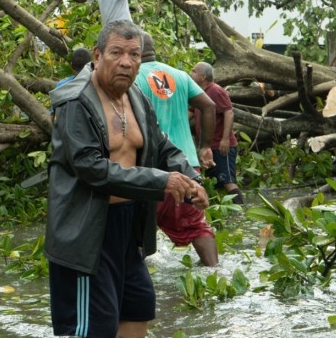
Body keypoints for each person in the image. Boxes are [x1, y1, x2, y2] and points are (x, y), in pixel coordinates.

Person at [45, 20, 208, 337]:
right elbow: (91, 167)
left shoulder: (136, 97)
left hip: (128, 228)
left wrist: (189, 180)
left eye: (134, 54)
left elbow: (162, 146)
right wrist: (162, 182)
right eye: (117, 52)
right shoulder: (75, 102)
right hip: (86, 233)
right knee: (93, 328)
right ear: (98, 54)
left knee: (138, 309)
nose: (126, 62)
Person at [135, 32, 219, 266]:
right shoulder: (180, 75)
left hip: (147, 166)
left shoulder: (132, 77)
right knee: (196, 223)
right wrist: (204, 147)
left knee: (138, 225)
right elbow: (209, 106)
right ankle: (214, 273)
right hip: (185, 163)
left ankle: (137, 280)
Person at [189, 62, 244, 205]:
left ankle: (241, 213)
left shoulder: (216, 90)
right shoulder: (198, 92)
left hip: (221, 146)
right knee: (213, 182)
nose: (190, 73)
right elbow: (189, 112)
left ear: (202, 77)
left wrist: (225, 140)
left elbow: (229, 113)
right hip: (208, 148)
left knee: (228, 182)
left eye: (193, 71)